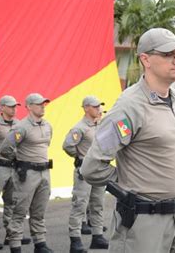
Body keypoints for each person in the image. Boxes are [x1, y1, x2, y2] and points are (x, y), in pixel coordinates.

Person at [80, 28, 175, 253]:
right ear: (146, 59)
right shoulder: (129, 106)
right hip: (143, 220)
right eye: (168, 54)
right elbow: (92, 167)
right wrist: (127, 187)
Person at [0, 93, 53, 253]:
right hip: (27, 173)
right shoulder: (21, 127)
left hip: (44, 172)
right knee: (19, 211)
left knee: (39, 211)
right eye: (38, 104)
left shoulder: (48, 125)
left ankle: (40, 243)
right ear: (29, 106)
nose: (42, 106)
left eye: (44, 103)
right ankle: (15, 245)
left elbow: (46, 144)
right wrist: (19, 161)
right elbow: (5, 149)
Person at [62, 96, 109, 253]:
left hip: (99, 170)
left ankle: (97, 236)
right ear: (86, 108)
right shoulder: (79, 128)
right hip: (85, 170)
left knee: (98, 204)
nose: (98, 109)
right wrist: (81, 158)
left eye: (99, 106)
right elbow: (68, 146)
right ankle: (75, 239)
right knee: (80, 204)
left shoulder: (100, 125)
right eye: (95, 107)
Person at [0, 96, 33, 250]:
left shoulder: (19, 124)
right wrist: (7, 155)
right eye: (10, 106)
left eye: (15, 106)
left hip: (14, 167)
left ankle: (11, 234)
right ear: (1, 108)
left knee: (12, 202)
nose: (14, 109)